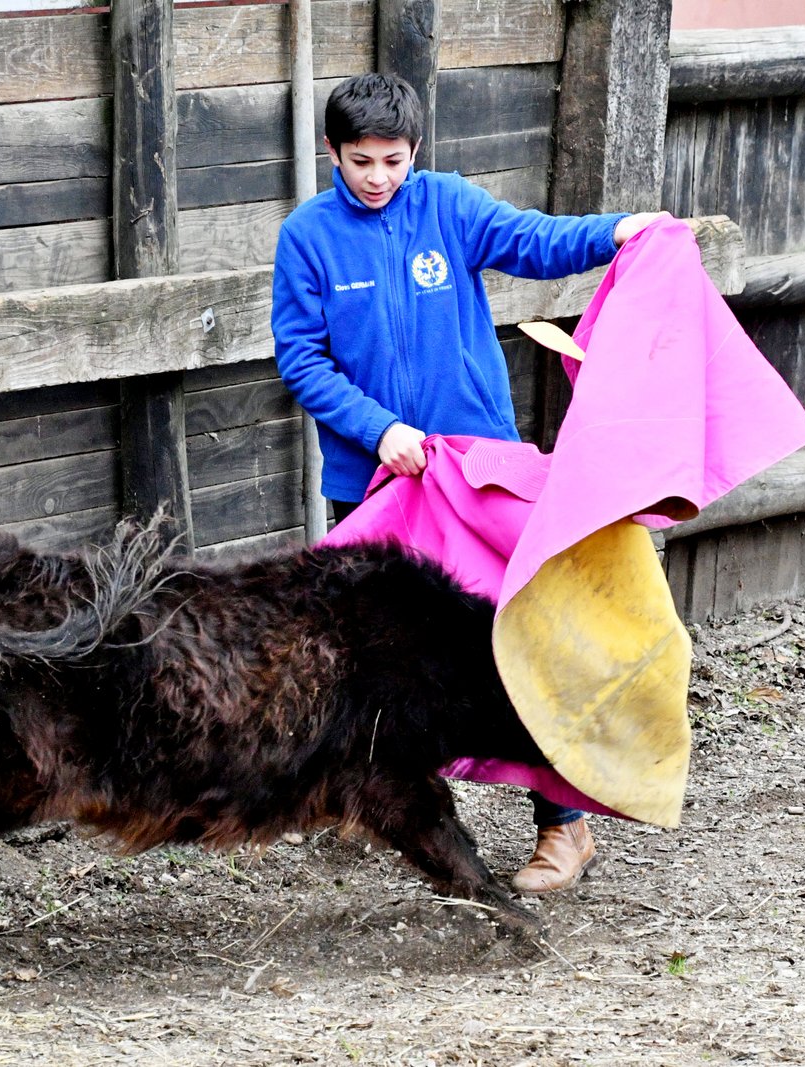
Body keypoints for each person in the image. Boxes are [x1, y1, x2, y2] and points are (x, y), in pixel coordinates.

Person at [271, 71, 660, 895]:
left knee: (516, 642)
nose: (378, 177)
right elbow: (301, 359)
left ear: (416, 152)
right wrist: (381, 430)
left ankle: (563, 826)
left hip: (478, 476)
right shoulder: (307, 237)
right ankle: (382, 804)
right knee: (378, 658)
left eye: (393, 160)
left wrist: (620, 230)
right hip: (376, 483)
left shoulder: (448, 205)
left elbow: (537, 241)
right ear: (333, 154)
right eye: (361, 161)